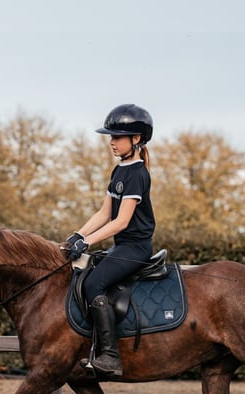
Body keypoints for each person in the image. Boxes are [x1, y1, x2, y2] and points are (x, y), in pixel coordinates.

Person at [62, 104, 156, 377]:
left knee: (94, 283)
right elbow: (105, 212)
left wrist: (88, 242)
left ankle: (111, 356)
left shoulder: (138, 174)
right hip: (122, 246)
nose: (111, 142)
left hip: (136, 248)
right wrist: (78, 235)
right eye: (110, 137)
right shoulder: (119, 171)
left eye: (117, 137)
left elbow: (122, 221)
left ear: (136, 139)